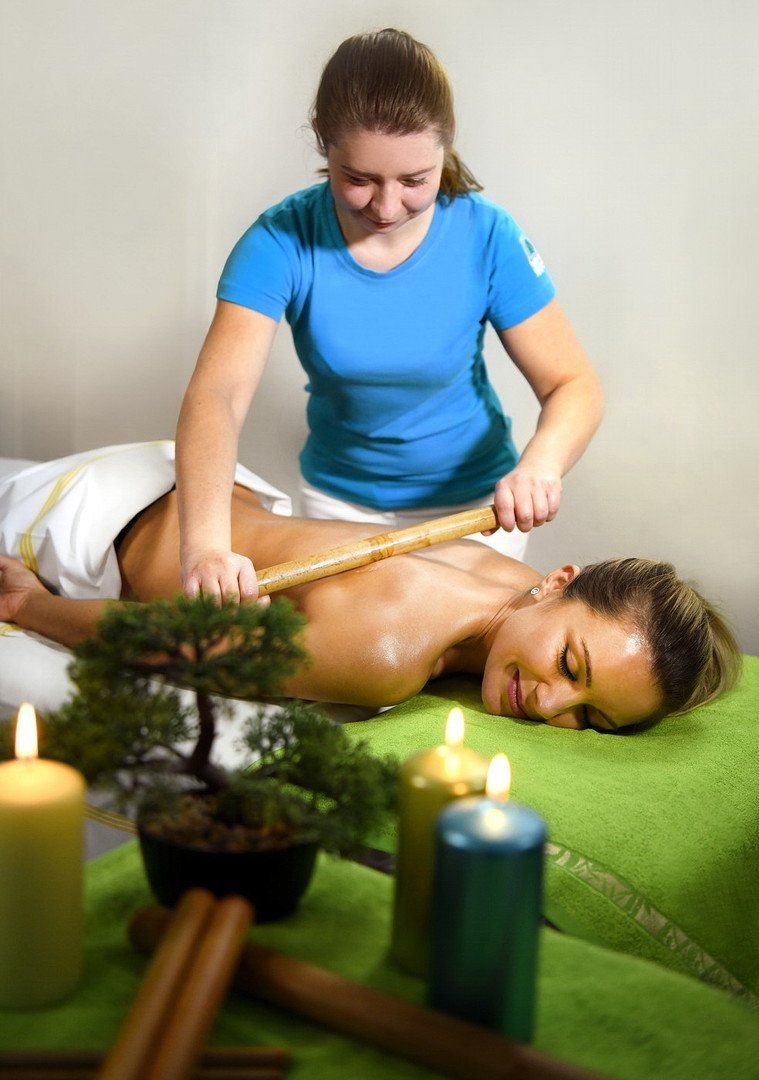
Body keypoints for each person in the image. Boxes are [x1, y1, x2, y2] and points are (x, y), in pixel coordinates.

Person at [175, 28, 604, 604]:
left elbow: (572, 384)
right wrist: (205, 546)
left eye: (414, 181)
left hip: (474, 510)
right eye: (359, 180)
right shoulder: (280, 240)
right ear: (324, 141)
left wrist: (541, 464)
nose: (385, 206)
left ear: (444, 149)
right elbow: (218, 396)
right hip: (339, 508)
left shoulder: (488, 236)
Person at [0, 445, 739, 733]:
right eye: (571, 666)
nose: (550, 705)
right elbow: (176, 645)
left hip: (201, 486)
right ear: (559, 582)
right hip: (95, 523)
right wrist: (32, 606)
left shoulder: (513, 586)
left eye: (591, 717)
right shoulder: (386, 651)